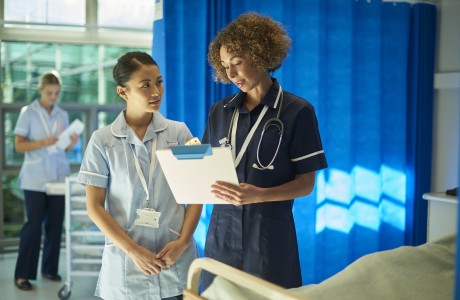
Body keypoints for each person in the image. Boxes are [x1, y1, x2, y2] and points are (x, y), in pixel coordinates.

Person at [202, 12, 328, 289]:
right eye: (225, 66)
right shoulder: (219, 112)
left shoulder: (298, 111)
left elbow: (306, 184)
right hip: (221, 233)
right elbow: (207, 169)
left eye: (237, 63)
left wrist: (260, 195)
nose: (231, 73)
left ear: (260, 55)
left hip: (269, 236)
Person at [77, 51, 201, 300]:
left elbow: (196, 193)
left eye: (159, 81)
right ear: (123, 92)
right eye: (145, 85)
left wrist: (184, 241)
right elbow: (94, 207)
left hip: (174, 260)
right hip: (126, 266)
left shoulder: (180, 131)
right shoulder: (102, 141)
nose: (156, 91)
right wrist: (133, 251)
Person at [13, 71, 80, 291]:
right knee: (33, 226)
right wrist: (42, 142)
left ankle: (49, 269)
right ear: (41, 90)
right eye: (50, 93)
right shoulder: (28, 113)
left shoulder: (61, 115)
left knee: (55, 225)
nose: (53, 97)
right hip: (35, 179)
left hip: (58, 177)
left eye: (57, 93)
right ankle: (23, 275)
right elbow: (19, 145)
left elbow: (64, 147)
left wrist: (72, 142)